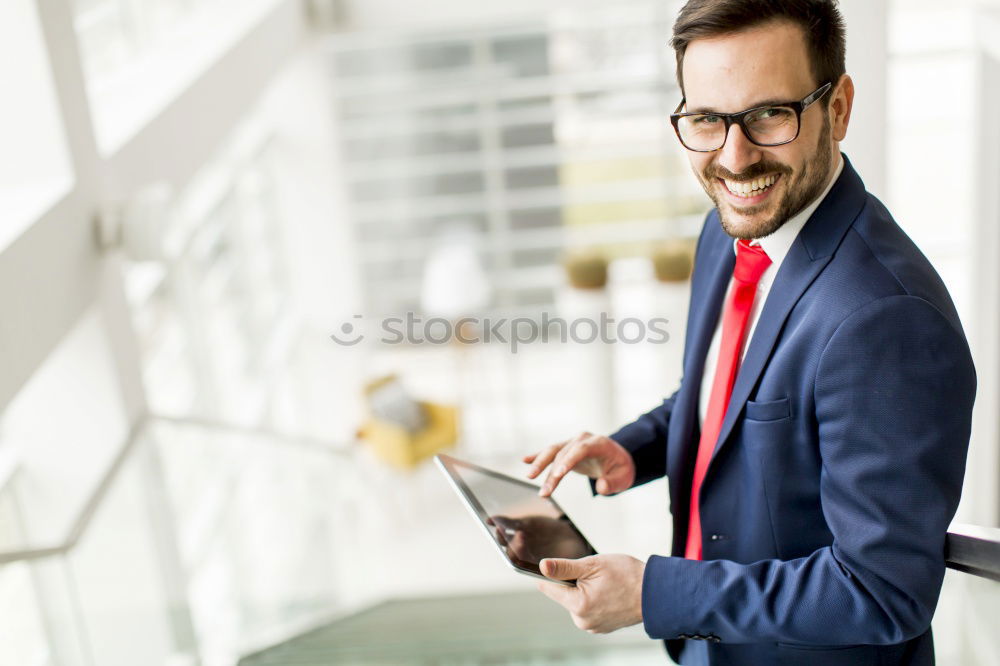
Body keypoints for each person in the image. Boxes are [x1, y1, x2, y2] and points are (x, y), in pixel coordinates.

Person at [522, 1, 977, 664]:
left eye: (769, 114)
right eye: (707, 119)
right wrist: (633, 449)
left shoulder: (887, 318)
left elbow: (884, 594)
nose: (734, 159)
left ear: (839, 108)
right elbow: (724, 396)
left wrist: (656, 594)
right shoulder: (730, 225)